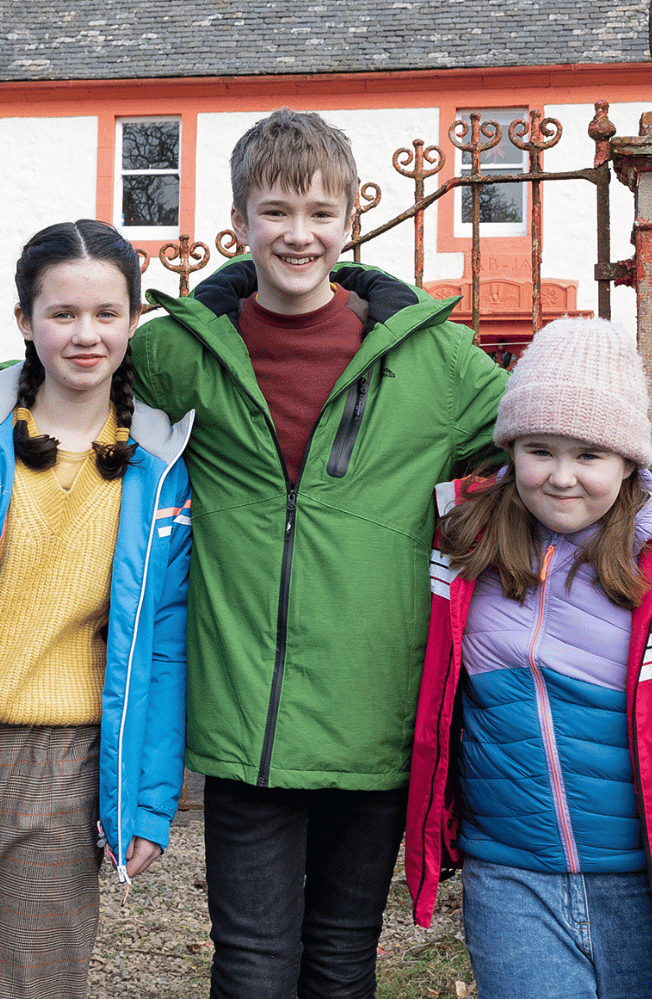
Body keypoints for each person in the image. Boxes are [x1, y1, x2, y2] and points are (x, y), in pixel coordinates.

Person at [131, 106, 509, 999]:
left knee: (342, 961)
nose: (297, 235)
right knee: (253, 965)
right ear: (239, 221)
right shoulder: (178, 352)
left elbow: (546, 437)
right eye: (274, 211)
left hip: (373, 710)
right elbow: (67, 394)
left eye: (318, 213)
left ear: (351, 221)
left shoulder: (434, 362)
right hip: (242, 723)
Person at [405, 316, 652, 999]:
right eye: (540, 449)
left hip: (637, 878)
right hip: (510, 878)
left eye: (590, 455)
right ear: (509, 450)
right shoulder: (465, 544)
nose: (562, 477)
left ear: (629, 460)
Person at [0, 220, 193, 999]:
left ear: (133, 320)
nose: (84, 334)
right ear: (24, 322)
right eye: (62, 313)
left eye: (106, 313)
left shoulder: (163, 468)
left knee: (30, 981)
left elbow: (163, 646)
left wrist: (146, 798)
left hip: (61, 768)